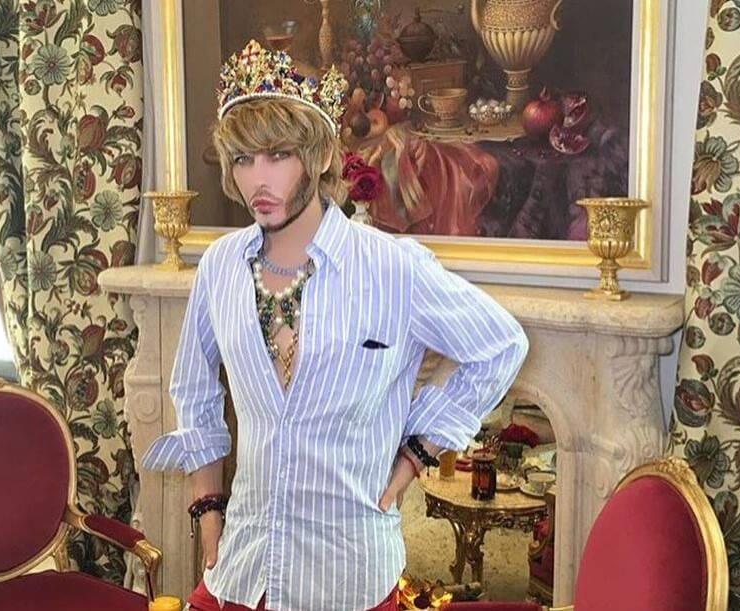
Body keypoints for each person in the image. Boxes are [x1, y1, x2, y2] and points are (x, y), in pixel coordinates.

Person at [142, 40, 529, 611]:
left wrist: (417, 453)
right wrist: (208, 512)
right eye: (243, 159)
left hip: (348, 577)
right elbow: (195, 389)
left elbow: (501, 345)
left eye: (278, 155)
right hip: (242, 572)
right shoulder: (222, 265)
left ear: (322, 154)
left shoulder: (393, 268)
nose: (257, 180)